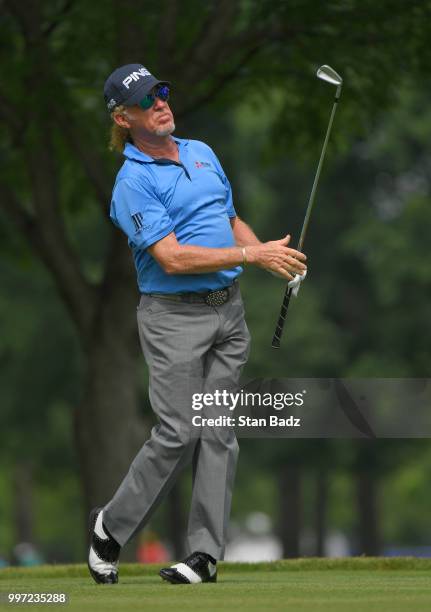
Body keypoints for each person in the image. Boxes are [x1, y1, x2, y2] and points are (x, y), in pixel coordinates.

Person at [87, 63, 307, 585]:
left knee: (218, 431)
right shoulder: (132, 181)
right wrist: (253, 255)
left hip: (228, 311)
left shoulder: (203, 152)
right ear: (124, 117)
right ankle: (110, 528)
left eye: (162, 92)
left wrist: (276, 257)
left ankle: (204, 556)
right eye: (147, 101)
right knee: (178, 432)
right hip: (173, 320)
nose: (161, 103)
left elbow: (230, 221)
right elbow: (172, 258)